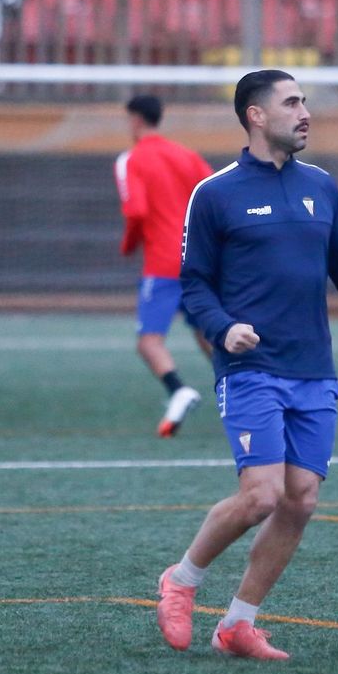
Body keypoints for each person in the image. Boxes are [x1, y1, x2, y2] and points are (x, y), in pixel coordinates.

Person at [154, 69, 338, 660]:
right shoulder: (214, 194)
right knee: (261, 495)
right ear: (256, 115)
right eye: (291, 102)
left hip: (313, 368)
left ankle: (238, 624)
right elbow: (193, 285)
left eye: (305, 101)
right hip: (251, 368)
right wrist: (223, 329)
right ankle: (181, 580)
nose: (305, 111)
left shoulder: (322, 186)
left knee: (300, 499)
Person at [113, 95, 215, 437]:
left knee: (149, 341)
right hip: (200, 259)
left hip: (163, 263)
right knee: (206, 333)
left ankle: (178, 389)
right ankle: (245, 386)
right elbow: (214, 195)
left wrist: (128, 245)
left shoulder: (131, 159)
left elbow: (137, 211)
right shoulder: (186, 155)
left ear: (135, 120)